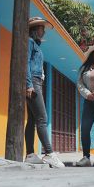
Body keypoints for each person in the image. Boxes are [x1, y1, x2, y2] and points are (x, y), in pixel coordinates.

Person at [25, 16, 65, 168]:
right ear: (35, 29)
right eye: (41, 28)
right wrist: (29, 84)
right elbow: (25, 62)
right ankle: (49, 153)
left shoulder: (36, 44)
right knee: (42, 118)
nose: (43, 31)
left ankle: (30, 154)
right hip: (33, 82)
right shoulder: (29, 42)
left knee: (33, 120)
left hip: (36, 82)